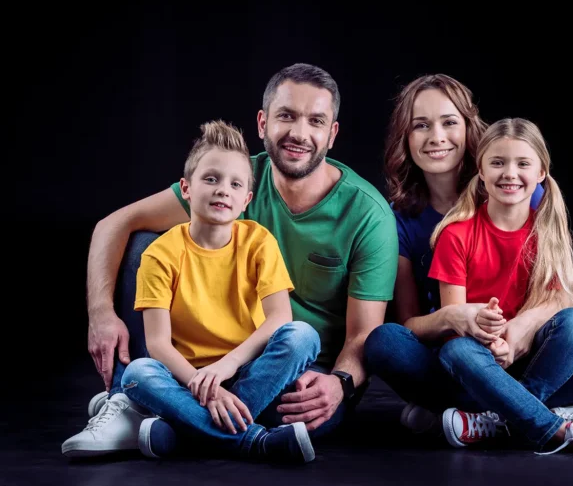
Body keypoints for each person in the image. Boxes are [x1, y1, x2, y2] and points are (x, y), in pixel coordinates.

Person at [73, 63, 399, 456]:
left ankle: (165, 419)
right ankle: (233, 433)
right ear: (262, 123)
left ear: (332, 134)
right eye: (286, 116)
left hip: (296, 374)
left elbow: (363, 335)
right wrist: (101, 314)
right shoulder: (234, 177)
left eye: (315, 121)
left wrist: (341, 383)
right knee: (145, 244)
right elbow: (114, 224)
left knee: (307, 402)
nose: (299, 133)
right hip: (205, 363)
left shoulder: (368, 214)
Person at [366, 113, 573, 454]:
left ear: (541, 173)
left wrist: (519, 333)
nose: (510, 174)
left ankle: (495, 420)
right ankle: (554, 429)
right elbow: (454, 325)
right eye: (498, 163)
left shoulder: (547, 230)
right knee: (435, 347)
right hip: (475, 365)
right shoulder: (457, 234)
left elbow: (569, 302)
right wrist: (483, 333)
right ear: (481, 172)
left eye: (523, 164)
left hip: (540, 364)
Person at [63, 120, 320, 463]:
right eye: (210, 179)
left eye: (234, 184)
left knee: (302, 335)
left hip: (246, 373)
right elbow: (157, 344)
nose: (222, 190)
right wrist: (209, 393)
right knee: (139, 374)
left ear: (245, 199)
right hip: (185, 380)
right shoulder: (160, 253)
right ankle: (255, 441)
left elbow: (279, 318)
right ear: (186, 188)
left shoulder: (258, 241)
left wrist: (227, 368)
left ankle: (183, 432)